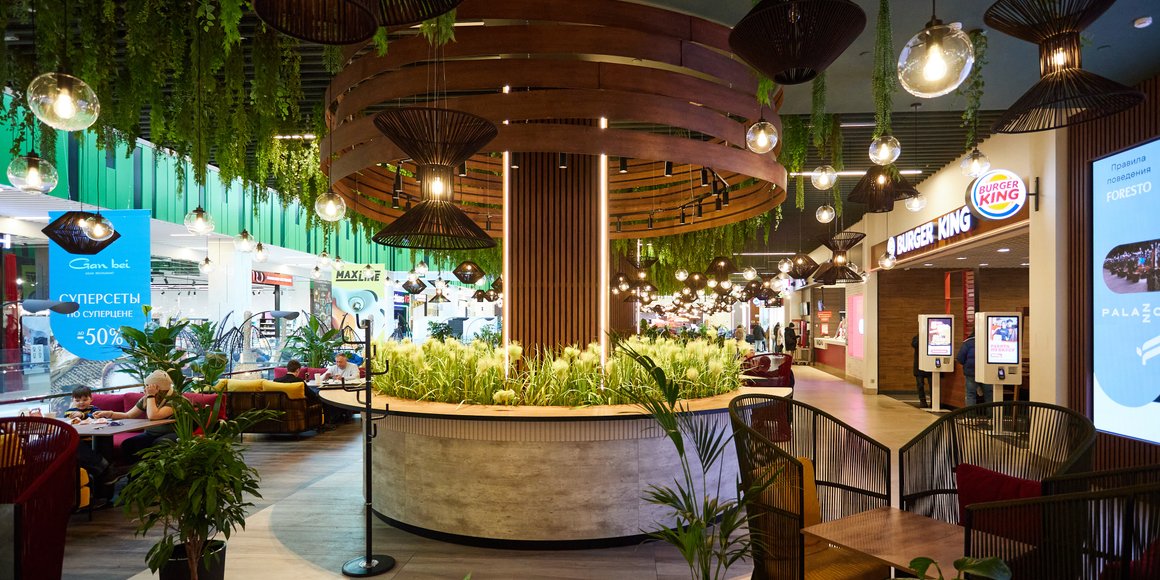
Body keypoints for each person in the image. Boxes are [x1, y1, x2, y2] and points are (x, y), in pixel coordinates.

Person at [94, 370, 177, 463]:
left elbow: (153, 416)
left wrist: (151, 396)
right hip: (151, 434)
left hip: (173, 433)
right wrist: (109, 414)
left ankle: (153, 470)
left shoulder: (175, 399)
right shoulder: (147, 399)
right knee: (128, 444)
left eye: (148, 387)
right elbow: (128, 415)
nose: (145, 390)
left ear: (158, 389)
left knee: (160, 443)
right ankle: (133, 470)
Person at [956, 333, 992, 406]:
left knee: (970, 394)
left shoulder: (967, 343)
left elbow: (960, 358)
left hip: (971, 372)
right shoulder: (989, 341)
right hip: (986, 372)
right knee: (989, 394)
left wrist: (966, 365)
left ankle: (971, 413)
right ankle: (992, 412)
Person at [911, 335, 931, 408]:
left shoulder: (931, 336)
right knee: (920, 385)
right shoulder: (917, 337)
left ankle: (933, 401)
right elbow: (914, 344)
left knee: (932, 385)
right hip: (919, 366)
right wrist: (922, 337)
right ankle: (922, 401)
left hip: (930, 365)